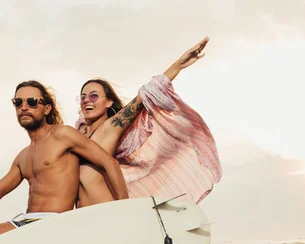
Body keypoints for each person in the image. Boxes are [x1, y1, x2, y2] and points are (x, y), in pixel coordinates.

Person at [0, 80, 129, 244]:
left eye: (32, 102)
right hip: (26, 221)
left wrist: (126, 210)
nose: (24, 107)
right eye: (18, 102)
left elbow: (109, 163)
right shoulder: (23, 156)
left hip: (52, 222)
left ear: (46, 108)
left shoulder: (62, 135)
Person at [75, 36, 222, 207]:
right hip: (82, 216)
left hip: (104, 212)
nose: (87, 100)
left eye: (94, 96)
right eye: (83, 97)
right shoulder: (79, 133)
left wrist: (179, 65)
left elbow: (144, 96)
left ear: (108, 102)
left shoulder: (110, 128)